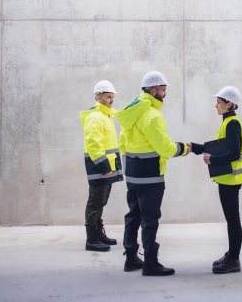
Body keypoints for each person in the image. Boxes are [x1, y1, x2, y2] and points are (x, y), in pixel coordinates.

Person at [114, 71, 191, 276]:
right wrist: (183, 148)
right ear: (153, 90)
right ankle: (150, 263)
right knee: (150, 219)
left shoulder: (133, 111)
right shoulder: (152, 115)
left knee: (133, 215)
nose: (165, 94)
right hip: (150, 174)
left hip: (132, 173)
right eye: (163, 90)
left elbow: (123, 143)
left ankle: (131, 258)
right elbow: (164, 147)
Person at [190, 86, 242, 274]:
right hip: (228, 180)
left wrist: (212, 160)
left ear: (229, 104)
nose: (215, 105)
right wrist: (194, 147)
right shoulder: (228, 122)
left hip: (231, 181)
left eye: (218, 102)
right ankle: (232, 255)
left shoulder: (231, 123)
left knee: (232, 220)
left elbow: (232, 153)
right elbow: (218, 148)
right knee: (232, 219)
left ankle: (233, 260)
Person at [79, 80, 124, 252]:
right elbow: (94, 146)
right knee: (95, 202)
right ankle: (91, 240)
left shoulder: (106, 116)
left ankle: (99, 235)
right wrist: (105, 167)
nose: (112, 100)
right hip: (100, 168)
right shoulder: (95, 117)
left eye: (112, 97)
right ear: (98, 97)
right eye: (108, 97)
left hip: (106, 168)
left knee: (101, 201)